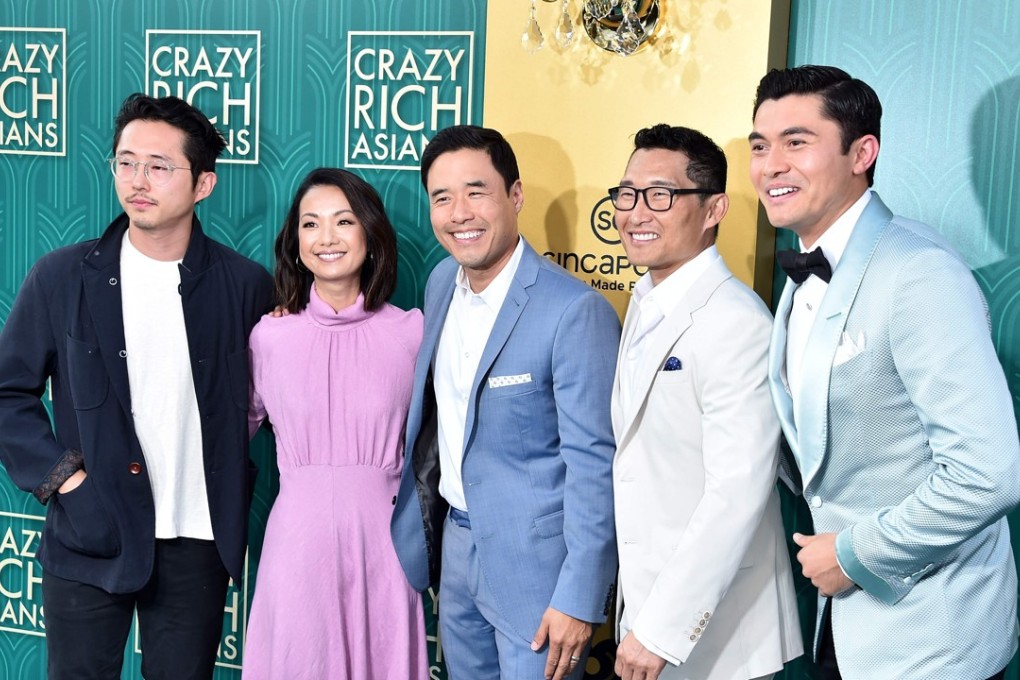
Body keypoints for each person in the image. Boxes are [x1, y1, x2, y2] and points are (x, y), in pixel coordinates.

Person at [749, 64, 1020, 679]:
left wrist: (853, 554)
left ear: (862, 153)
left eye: (796, 142)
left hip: (933, 636)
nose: (771, 166)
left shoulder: (919, 272)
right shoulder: (805, 274)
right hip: (845, 627)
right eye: (760, 147)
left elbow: (988, 474)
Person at [0, 93, 273, 679]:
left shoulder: (246, 286)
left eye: (159, 166)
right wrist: (67, 482)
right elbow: (7, 392)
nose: (137, 180)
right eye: (126, 162)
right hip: (90, 529)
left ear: (203, 184)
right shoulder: (62, 276)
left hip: (197, 538)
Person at [390, 125, 620, 680]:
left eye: (477, 192)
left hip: (538, 571)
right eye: (442, 198)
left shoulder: (573, 311)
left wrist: (580, 595)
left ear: (515, 196)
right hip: (456, 550)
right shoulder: (441, 283)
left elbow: (595, 465)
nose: (459, 213)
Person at [610, 123, 803, 680]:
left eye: (660, 195)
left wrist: (659, 630)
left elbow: (735, 493)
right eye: (627, 194)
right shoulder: (645, 300)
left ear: (714, 208)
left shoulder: (735, 321)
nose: (636, 213)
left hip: (717, 635)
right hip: (644, 610)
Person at [242, 167, 428, 679]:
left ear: (370, 233)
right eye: (311, 224)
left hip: (385, 546)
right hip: (296, 546)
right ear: (295, 240)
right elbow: (229, 432)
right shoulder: (270, 337)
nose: (326, 238)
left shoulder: (412, 333)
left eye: (343, 221)